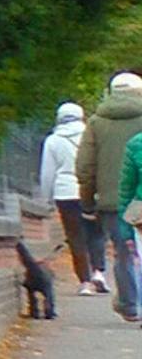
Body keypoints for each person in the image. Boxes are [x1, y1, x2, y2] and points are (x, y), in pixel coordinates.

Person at [93, 71, 142, 326]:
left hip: (119, 201)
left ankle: (131, 304)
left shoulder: (96, 121)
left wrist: (88, 199)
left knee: (125, 253)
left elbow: (85, 165)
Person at [50, 95, 100, 293]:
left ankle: (85, 282)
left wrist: (48, 196)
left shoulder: (53, 140)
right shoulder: (91, 136)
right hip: (91, 190)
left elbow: (48, 172)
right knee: (96, 233)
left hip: (65, 193)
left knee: (75, 236)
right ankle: (99, 272)